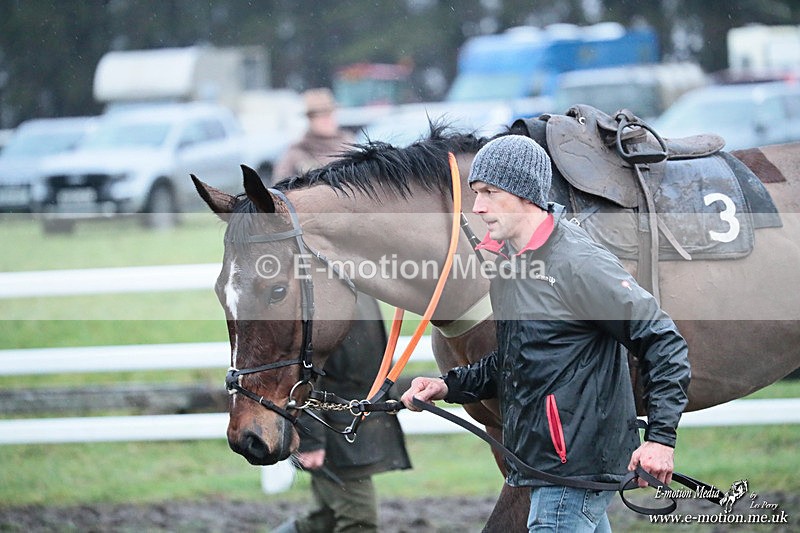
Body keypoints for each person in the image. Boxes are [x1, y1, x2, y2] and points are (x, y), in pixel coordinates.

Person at [401, 135, 691, 532]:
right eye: (476, 193)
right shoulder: (511, 266)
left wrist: (660, 440)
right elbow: (517, 360)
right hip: (550, 467)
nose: (478, 206)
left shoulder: (576, 262)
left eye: (490, 192)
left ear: (525, 194)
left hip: (572, 468)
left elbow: (662, 339)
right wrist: (447, 386)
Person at [272, 87, 354, 180]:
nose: (327, 120)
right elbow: (280, 187)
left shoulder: (350, 146)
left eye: (329, 114)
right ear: (310, 120)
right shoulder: (297, 153)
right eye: (320, 116)